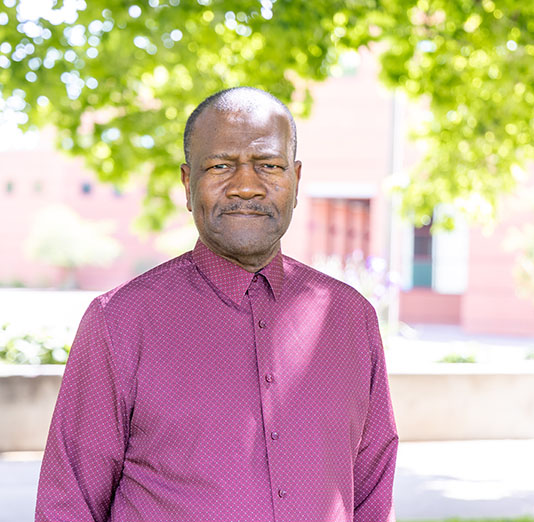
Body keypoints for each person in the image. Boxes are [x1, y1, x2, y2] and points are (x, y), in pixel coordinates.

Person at [35, 87, 399, 522]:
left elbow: (374, 495)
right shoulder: (121, 322)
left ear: (296, 181)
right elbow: (68, 504)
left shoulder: (349, 318)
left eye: (269, 165)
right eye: (221, 166)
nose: (246, 186)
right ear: (189, 184)